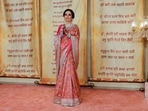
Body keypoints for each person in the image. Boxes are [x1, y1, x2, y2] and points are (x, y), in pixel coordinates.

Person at [54, 9, 81, 107]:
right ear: (64, 16)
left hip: (69, 52)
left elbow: (76, 39)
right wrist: (59, 36)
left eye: (69, 15)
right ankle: (61, 96)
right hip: (62, 52)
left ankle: (71, 97)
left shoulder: (75, 28)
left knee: (69, 72)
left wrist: (71, 36)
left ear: (72, 17)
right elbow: (56, 40)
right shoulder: (61, 27)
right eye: (65, 14)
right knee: (62, 72)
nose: (67, 16)